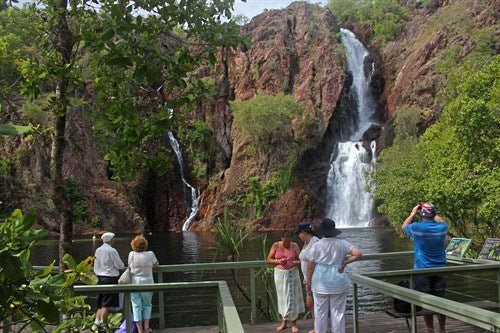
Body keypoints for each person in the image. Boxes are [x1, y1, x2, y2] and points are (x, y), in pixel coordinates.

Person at [304, 218, 362, 333]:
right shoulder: (343, 243)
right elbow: (358, 254)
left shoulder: (317, 245)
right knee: (338, 313)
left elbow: (310, 266)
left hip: (320, 282)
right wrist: (345, 262)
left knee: (320, 313)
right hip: (338, 281)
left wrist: (308, 281)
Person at [402, 203, 448, 333]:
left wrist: (412, 213)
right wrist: (432, 211)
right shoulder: (442, 228)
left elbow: (404, 227)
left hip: (422, 270)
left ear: (421, 215)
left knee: (425, 301)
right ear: (433, 214)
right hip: (441, 270)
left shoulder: (417, 227)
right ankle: (443, 329)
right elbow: (441, 220)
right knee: (441, 300)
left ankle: (430, 330)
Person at [267, 230, 305, 333]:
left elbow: (301, 260)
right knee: (282, 298)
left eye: (288, 242)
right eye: (284, 242)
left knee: (293, 297)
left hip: (293, 273)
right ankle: (283, 323)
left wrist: (293, 262)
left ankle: (294, 324)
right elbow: (268, 259)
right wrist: (278, 261)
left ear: (291, 240)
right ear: (281, 239)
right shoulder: (275, 245)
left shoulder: (295, 246)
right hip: (280, 274)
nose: (286, 243)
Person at [94, 232, 125, 332]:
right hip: (110, 278)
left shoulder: (98, 250)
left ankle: (96, 322)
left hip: (99, 278)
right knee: (106, 304)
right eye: (113, 238)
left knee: (100, 302)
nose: (114, 240)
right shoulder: (112, 251)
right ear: (110, 240)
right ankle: (102, 325)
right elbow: (119, 265)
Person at [128, 235, 159, 333]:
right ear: (145, 244)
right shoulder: (150, 254)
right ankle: (146, 328)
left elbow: (129, 265)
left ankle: (139, 329)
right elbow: (156, 265)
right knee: (147, 305)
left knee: (136, 306)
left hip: (134, 282)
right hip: (147, 282)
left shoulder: (131, 254)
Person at [295, 221, 320, 333]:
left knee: (313, 303)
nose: (299, 235)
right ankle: (317, 326)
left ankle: (318, 328)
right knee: (311, 304)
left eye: (299, 233)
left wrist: (309, 279)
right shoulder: (306, 242)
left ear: (305, 232)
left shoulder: (315, 242)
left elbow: (313, 262)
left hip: (314, 278)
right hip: (308, 278)